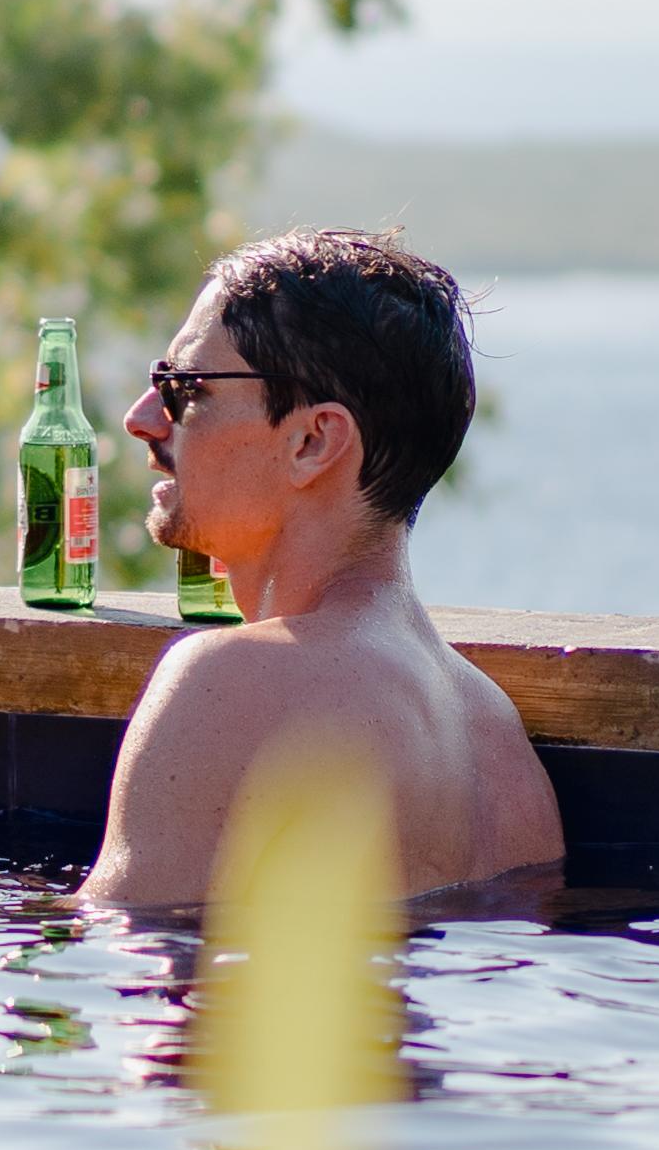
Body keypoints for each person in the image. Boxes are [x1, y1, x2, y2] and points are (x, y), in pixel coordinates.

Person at [85, 227, 562, 913]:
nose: (142, 418)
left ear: (313, 441)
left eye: (186, 387)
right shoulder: (497, 739)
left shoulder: (224, 683)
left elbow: (120, 979)